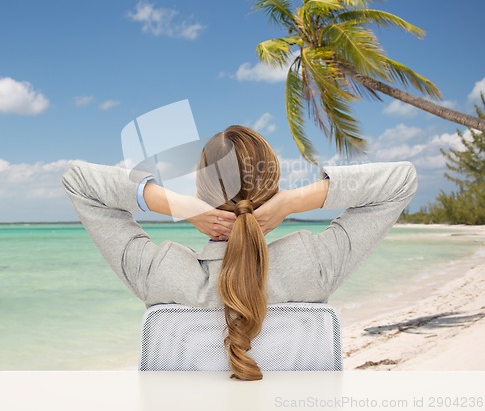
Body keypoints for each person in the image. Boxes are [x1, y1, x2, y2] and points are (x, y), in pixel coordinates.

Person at [62, 125, 417, 381]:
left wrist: (176, 204)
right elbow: (401, 181)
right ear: (272, 191)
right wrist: (295, 200)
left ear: (200, 191)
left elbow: (78, 180)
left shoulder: (161, 272)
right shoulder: (312, 264)